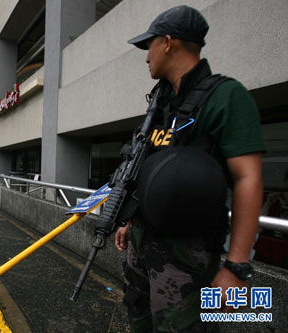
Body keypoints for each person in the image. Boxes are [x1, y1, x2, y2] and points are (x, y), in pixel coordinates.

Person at [114, 5, 265, 332]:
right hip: (144, 242)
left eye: (149, 45)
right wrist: (129, 219)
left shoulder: (226, 97)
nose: (145, 56)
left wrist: (236, 266)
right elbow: (148, 165)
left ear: (168, 43)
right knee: (137, 315)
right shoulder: (161, 102)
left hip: (186, 253)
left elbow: (247, 178)